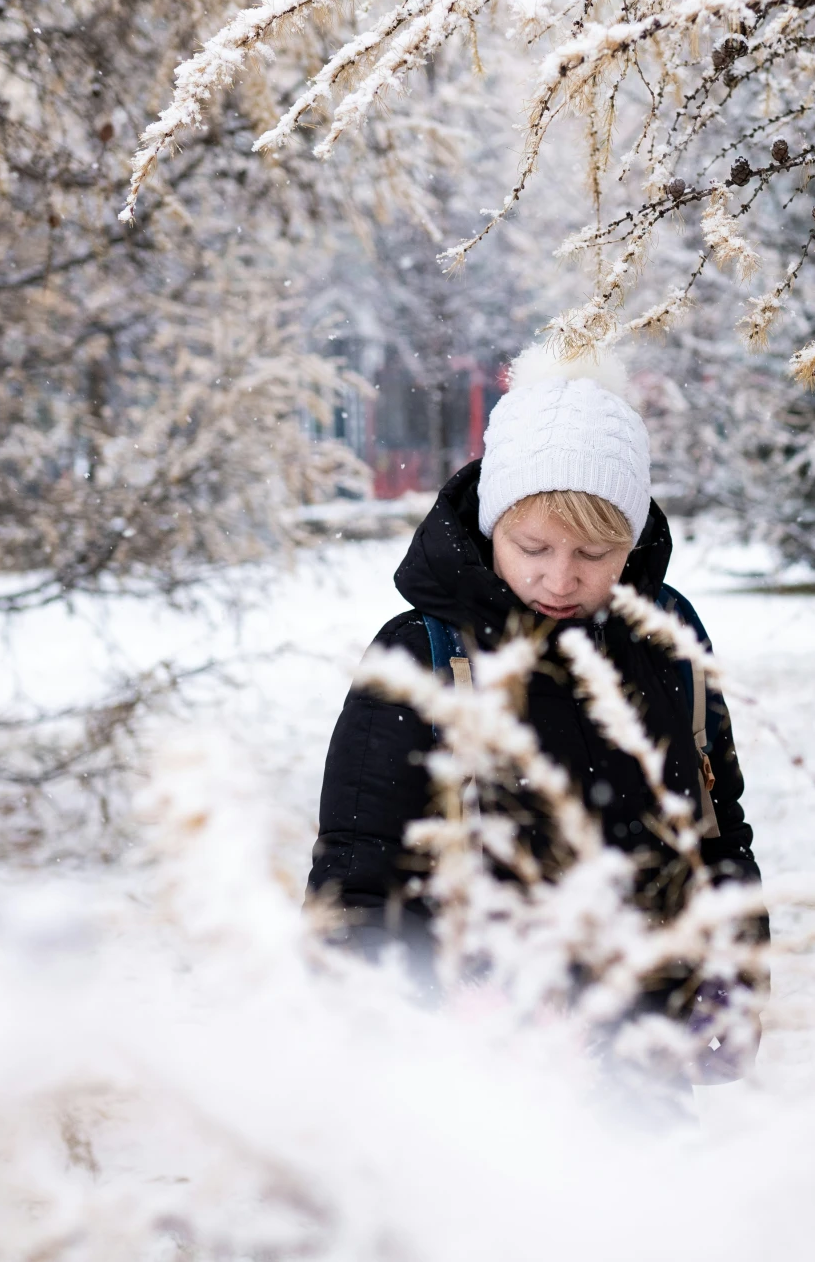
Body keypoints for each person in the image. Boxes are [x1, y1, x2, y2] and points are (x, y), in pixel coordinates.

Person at [308, 344, 767, 1082]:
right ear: (492, 525)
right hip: (477, 1060)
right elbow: (359, 867)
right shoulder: (421, 655)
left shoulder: (666, 640)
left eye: (594, 550)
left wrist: (730, 979)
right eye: (533, 546)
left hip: (645, 1038)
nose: (561, 577)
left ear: (632, 541)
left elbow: (716, 828)